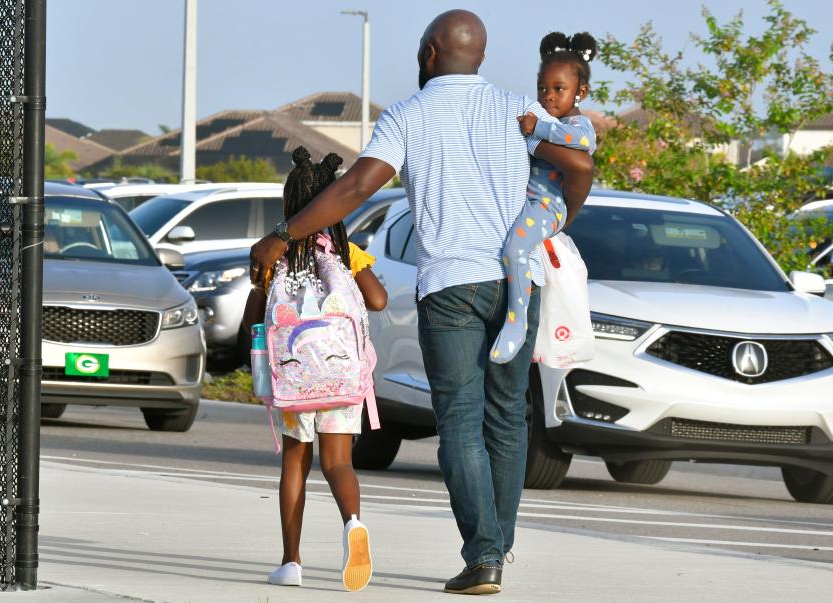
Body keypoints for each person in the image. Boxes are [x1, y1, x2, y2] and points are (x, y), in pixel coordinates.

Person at [249, 10, 593, 595]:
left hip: (452, 284)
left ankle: (484, 553)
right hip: (517, 281)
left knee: (460, 419)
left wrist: (285, 233)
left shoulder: (409, 115)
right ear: (478, 56)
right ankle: (496, 550)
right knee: (508, 415)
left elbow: (357, 187)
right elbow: (580, 166)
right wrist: (558, 218)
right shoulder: (518, 108)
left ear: (430, 53)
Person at [240, 147, 387, 592]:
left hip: (295, 378)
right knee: (339, 461)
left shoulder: (275, 261)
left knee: (295, 460)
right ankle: (352, 523)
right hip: (341, 378)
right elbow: (378, 300)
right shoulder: (347, 255)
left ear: (289, 206)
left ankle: (291, 562)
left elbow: (252, 320)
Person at [490, 32, 599, 363]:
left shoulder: (578, 124)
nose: (548, 96)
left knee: (515, 249)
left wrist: (539, 129)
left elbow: (583, 145)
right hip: (525, 202)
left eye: (558, 89)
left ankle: (517, 323)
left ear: (580, 92)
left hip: (547, 206)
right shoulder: (544, 119)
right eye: (542, 88)